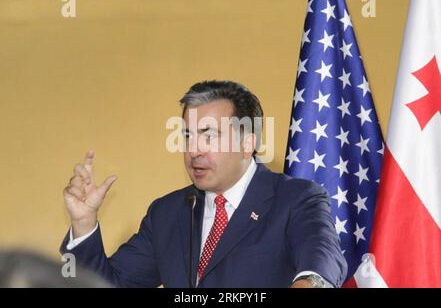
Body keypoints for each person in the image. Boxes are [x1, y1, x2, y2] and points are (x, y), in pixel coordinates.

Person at [60, 80, 347, 288]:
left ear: (247, 144)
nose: (194, 149)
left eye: (208, 136)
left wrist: (311, 283)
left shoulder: (295, 199)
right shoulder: (167, 213)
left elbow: (322, 262)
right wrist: (83, 224)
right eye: (187, 136)